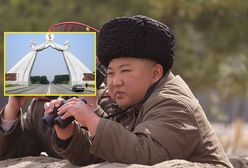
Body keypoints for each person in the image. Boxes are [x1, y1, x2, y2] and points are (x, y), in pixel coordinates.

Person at [46, 15, 233, 167]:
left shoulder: (174, 104)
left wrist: (92, 120)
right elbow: (106, 154)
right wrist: (68, 132)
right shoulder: (135, 100)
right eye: (110, 73)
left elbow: (146, 157)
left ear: (156, 73)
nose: (115, 82)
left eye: (125, 71)